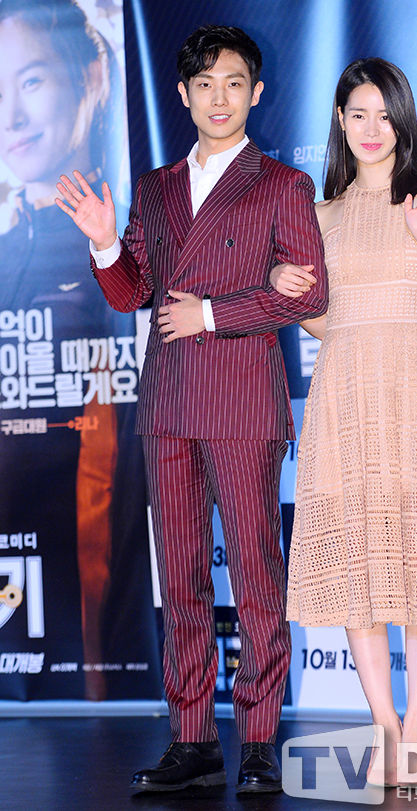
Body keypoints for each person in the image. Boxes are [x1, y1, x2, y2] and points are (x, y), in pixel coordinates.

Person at [56, 24, 328, 794]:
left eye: (234, 82)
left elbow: (308, 294)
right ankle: (193, 738)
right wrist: (106, 244)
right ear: (182, 94)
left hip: (242, 403)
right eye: (205, 83)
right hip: (170, 404)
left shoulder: (283, 185)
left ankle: (260, 741)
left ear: (256, 92)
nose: (219, 97)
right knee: (180, 580)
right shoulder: (155, 189)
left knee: (256, 577)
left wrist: (210, 312)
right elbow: (132, 294)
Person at [271, 58, 417, 788]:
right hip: (343, 396)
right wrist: (285, 291)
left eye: (385, 115)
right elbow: (324, 320)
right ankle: (384, 724)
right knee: (357, 568)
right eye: (359, 114)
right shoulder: (320, 215)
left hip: (414, 393)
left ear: (404, 120)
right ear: (340, 121)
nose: (373, 129)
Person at [0, 0, 157, 702]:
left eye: (31, 81)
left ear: (92, 75)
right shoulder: (7, 249)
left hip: (102, 634)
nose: (11, 118)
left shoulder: (137, 239)